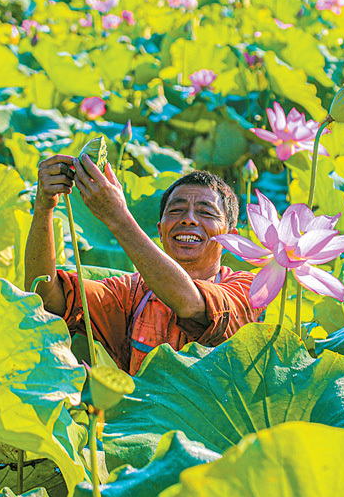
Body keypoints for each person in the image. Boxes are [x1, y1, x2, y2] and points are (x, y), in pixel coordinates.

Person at [25, 153, 264, 375]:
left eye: (206, 213)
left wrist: (117, 217)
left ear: (230, 237)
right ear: (160, 231)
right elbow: (44, 297)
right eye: (177, 210)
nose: (188, 220)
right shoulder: (130, 294)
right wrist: (44, 206)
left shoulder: (251, 289)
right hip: (138, 419)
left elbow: (191, 305)